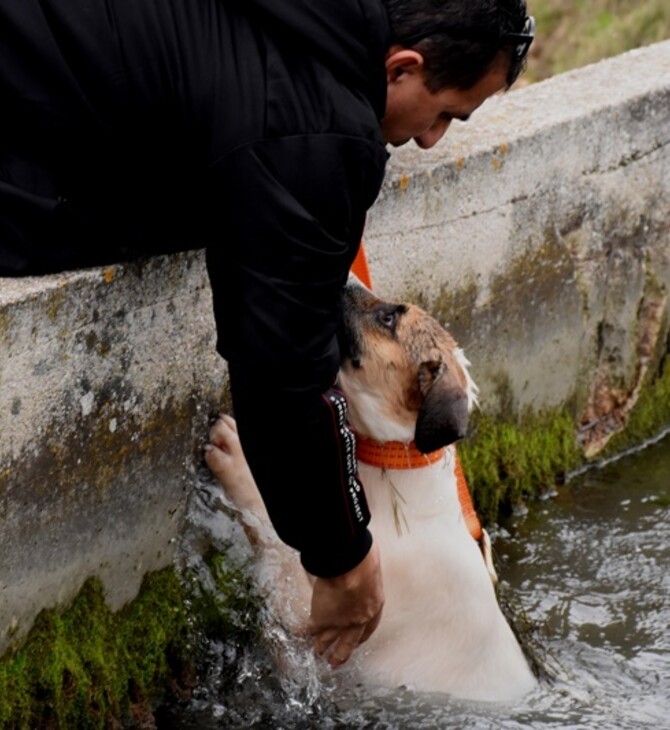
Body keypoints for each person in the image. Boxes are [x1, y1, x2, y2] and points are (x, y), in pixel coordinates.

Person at [0, 0, 534, 668]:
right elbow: (283, 373)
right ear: (402, 67)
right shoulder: (312, 128)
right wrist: (342, 562)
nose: (432, 141)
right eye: (449, 113)